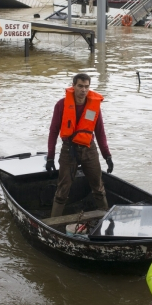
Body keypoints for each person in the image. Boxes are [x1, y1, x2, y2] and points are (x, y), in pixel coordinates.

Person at [46, 73, 113, 218]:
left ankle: (106, 217)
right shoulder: (61, 105)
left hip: (89, 149)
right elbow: (53, 132)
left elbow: (100, 133)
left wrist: (107, 156)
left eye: (86, 87)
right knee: (62, 189)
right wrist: (50, 157)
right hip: (68, 150)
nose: (83, 90)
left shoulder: (94, 106)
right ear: (74, 86)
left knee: (98, 187)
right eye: (80, 86)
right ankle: (53, 222)